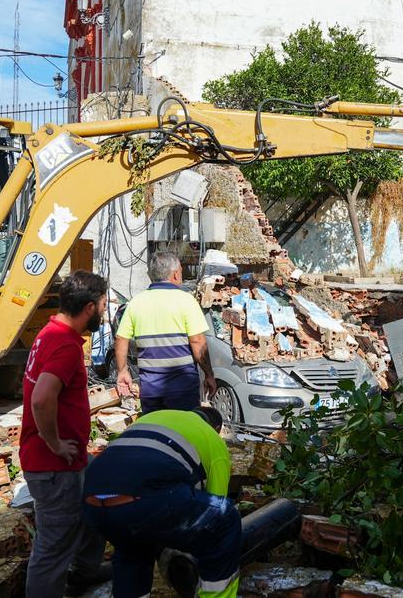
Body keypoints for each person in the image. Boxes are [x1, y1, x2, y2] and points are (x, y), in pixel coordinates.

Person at [82, 408, 239, 598]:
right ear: (216, 428)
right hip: (143, 499)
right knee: (225, 520)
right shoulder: (213, 439)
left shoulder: (153, 418)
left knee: (132, 549)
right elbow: (212, 513)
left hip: (92, 495)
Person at [20, 270, 109, 596]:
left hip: (63, 460)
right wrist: (54, 442)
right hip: (54, 465)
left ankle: (84, 573)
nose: (104, 312)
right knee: (53, 547)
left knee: (95, 501)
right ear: (89, 307)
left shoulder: (50, 332)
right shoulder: (66, 346)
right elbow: (41, 398)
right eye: (103, 305)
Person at [114, 252, 215, 413]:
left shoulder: (136, 303)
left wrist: (122, 371)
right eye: (181, 271)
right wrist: (209, 374)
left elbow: (121, 338)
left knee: (155, 428)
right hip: (183, 388)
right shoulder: (186, 301)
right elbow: (197, 341)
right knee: (181, 429)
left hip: (150, 390)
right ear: (175, 274)